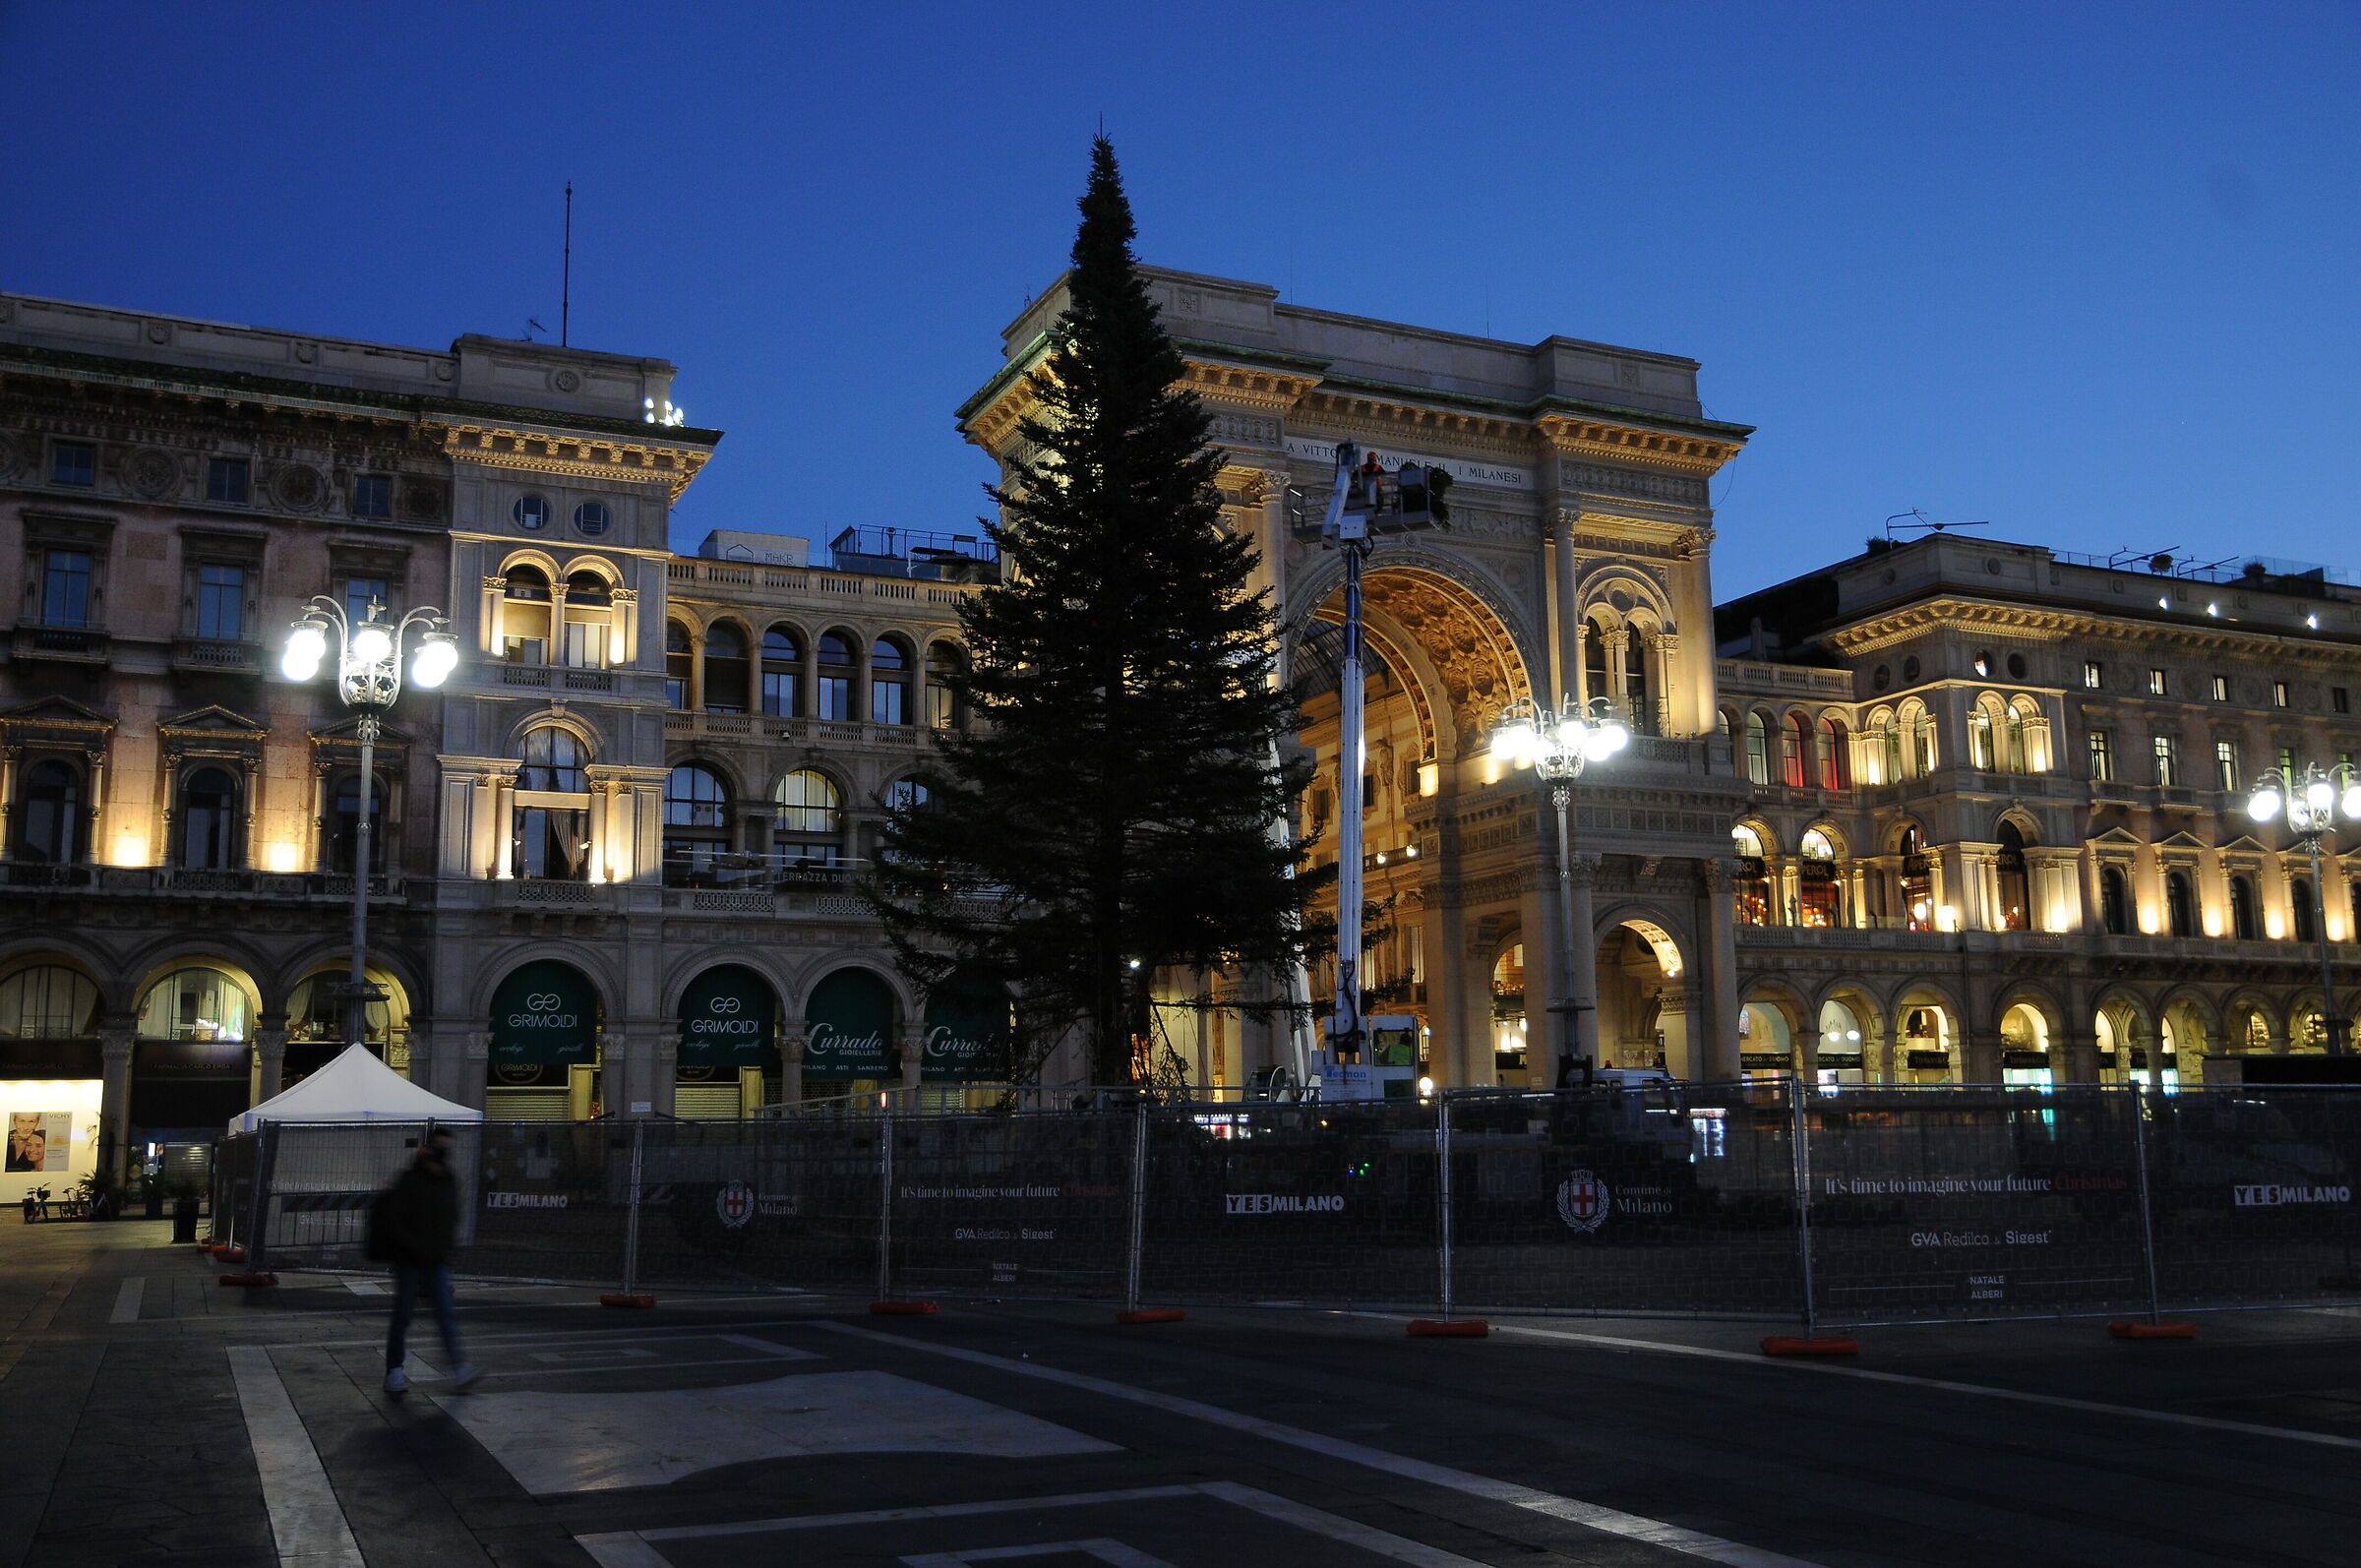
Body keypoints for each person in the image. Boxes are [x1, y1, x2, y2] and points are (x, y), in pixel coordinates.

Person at [367, 1129, 478, 1394]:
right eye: (441, 1146)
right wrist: (413, 1246)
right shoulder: (411, 1180)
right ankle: (394, 1371)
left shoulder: (448, 1180)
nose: (445, 1152)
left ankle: (457, 1367)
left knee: (444, 1314)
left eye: (447, 1147)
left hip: (436, 1260)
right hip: (410, 1260)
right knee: (403, 1315)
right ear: (429, 1148)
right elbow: (397, 1220)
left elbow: (452, 1216)